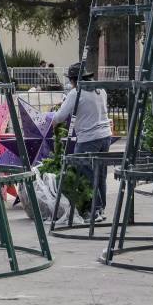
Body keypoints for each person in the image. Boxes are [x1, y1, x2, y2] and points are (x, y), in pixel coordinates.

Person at [52, 62, 114, 220]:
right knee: (100, 174)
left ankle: (94, 209)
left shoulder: (76, 93)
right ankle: (101, 209)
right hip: (106, 136)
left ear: (74, 80)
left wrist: (50, 120)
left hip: (88, 139)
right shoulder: (100, 89)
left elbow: (60, 117)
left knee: (85, 174)